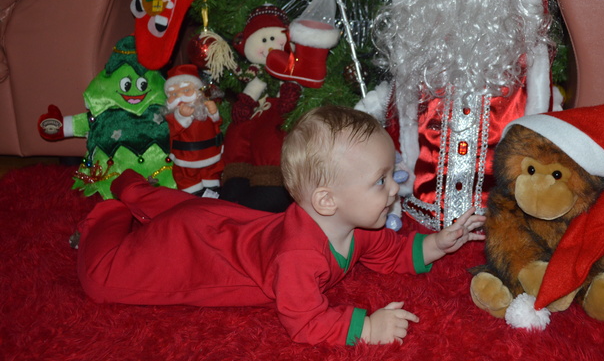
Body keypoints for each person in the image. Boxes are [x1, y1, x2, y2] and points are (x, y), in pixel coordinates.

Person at [76, 105, 485, 346]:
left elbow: (392, 253)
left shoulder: (361, 226)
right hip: (195, 248)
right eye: (380, 181)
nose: (395, 188)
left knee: (186, 209)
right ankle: (110, 211)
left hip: (223, 221)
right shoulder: (298, 258)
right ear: (327, 201)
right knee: (101, 279)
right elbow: (304, 321)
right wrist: (367, 327)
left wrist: (437, 244)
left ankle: (134, 189)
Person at [360, 0, 559, 231]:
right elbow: (398, 102)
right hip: (422, 209)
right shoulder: (421, 39)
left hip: (502, 212)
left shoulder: (526, 51)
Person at [164, 64, 225, 197]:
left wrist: (213, 112)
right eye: (173, 94)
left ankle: (213, 191)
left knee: (211, 176)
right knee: (188, 180)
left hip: (211, 155)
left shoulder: (204, 106)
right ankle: (193, 194)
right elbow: (175, 128)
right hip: (187, 159)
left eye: (186, 90)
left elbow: (217, 123)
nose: (180, 96)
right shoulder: (173, 115)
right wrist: (182, 116)